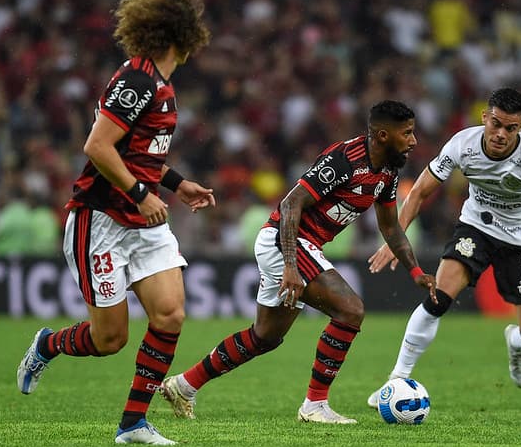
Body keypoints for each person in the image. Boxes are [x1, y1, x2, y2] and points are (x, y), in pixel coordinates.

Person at [15, 0, 214, 445]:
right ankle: (48, 344)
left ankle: (133, 425)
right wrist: (142, 193)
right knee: (109, 341)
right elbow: (97, 147)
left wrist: (176, 183)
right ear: (182, 33)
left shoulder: (161, 84)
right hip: (100, 218)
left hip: (143, 222)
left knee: (169, 315)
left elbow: (137, 153)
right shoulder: (137, 81)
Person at [160, 100, 437, 424]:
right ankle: (315, 405)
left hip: (299, 246)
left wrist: (415, 271)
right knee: (350, 310)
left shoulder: (388, 170)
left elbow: (390, 226)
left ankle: (184, 385)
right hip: (285, 239)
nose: (414, 140)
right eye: (406, 133)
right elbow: (291, 204)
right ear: (382, 135)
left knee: (265, 336)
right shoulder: (345, 160)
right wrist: (291, 266)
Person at [366, 87, 521, 406]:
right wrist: (396, 239)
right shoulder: (463, 144)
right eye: (496, 124)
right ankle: (395, 381)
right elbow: (418, 192)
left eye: (511, 128)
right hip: (477, 227)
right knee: (437, 299)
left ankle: (515, 342)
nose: (501, 134)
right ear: (485, 117)